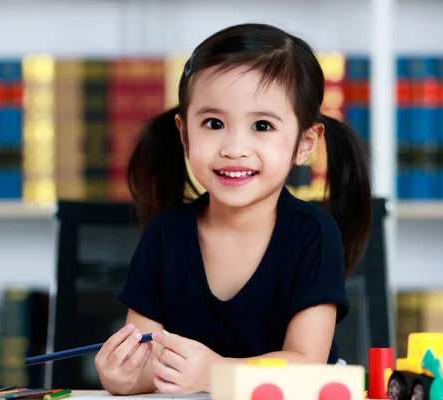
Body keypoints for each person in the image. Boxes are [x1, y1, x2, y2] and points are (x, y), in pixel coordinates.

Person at [94, 22, 372, 396]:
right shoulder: (164, 236)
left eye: (262, 125)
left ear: (306, 144)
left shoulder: (313, 235)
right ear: (184, 134)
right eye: (213, 123)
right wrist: (124, 376)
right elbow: (150, 365)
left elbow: (307, 364)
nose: (234, 147)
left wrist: (218, 373)